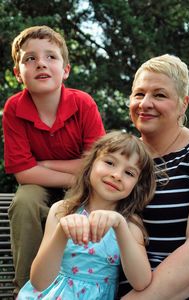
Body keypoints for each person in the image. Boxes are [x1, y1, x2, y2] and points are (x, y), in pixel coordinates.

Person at [2, 25, 105, 295]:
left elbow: (96, 163)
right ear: (17, 73)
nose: (41, 64)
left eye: (51, 57)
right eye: (30, 58)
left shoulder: (83, 103)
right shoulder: (14, 108)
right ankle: (27, 289)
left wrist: (43, 164)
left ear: (66, 70)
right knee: (24, 201)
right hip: (40, 185)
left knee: (82, 203)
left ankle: (74, 288)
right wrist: (73, 171)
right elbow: (24, 175)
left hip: (81, 184)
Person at [16, 130, 156, 300]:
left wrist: (119, 225)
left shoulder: (129, 226)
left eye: (129, 173)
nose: (116, 175)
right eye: (110, 162)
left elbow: (141, 282)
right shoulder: (61, 211)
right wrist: (62, 232)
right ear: (90, 165)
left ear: (137, 185)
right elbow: (39, 282)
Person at [118, 54, 189, 300]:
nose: (145, 103)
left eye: (160, 95)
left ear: (183, 103)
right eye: (139, 94)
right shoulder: (120, 158)